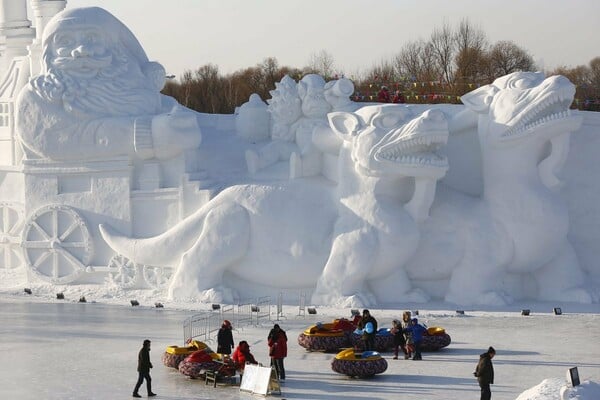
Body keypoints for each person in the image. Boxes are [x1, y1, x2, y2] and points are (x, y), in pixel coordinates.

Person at [16, 7, 200, 162]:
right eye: (65, 42)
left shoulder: (130, 90)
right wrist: (148, 135)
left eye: (91, 39)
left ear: (115, 47)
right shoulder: (36, 97)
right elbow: (57, 141)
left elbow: (175, 116)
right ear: (49, 53)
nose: (80, 51)